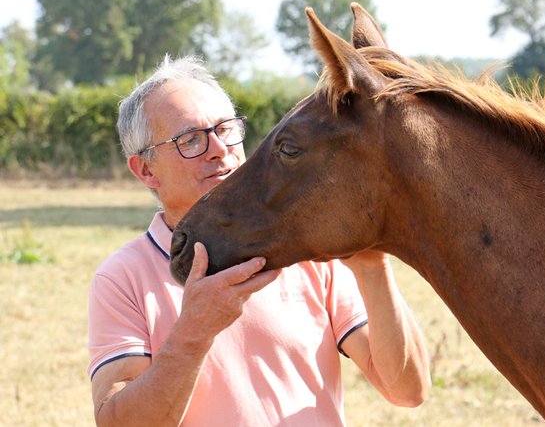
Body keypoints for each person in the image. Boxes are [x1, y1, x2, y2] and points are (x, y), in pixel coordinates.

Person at [87, 55, 431, 426]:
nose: (220, 149)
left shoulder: (306, 249)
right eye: (190, 140)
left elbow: (407, 390)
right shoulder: (121, 278)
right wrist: (193, 333)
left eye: (225, 129)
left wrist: (373, 267)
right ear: (145, 170)